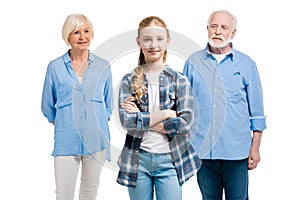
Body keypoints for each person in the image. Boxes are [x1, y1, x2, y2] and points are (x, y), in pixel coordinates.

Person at [183, 10, 267, 200]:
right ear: (207, 29)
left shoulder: (246, 65)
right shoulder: (193, 62)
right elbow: (185, 107)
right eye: (214, 26)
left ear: (233, 33)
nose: (218, 32)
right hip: (203, 151)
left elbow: (257, 112)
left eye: (224, 27)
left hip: (236, 152)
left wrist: (255, 148)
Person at [116, 16, 201, 200]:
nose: (153, 44)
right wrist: (165, 114)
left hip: (170, 160)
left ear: (167, 41)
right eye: (147, 39)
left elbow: (186, 124)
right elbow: (126, 122)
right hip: (138, 160)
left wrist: (141, 116)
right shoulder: (128, 80)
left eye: (159, 39)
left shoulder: (179, 80)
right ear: (139, 42)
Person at [41, 14, 113, 200]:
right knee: (63, 194)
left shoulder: (103, 66)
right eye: (76, 32)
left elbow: (108, 105)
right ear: (68, 37)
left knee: (90, 192)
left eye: (86, 31)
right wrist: (62, 122)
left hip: (96, 141)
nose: (83, 37)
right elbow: (47, 105)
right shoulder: (55, 67)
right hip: (66, 141)